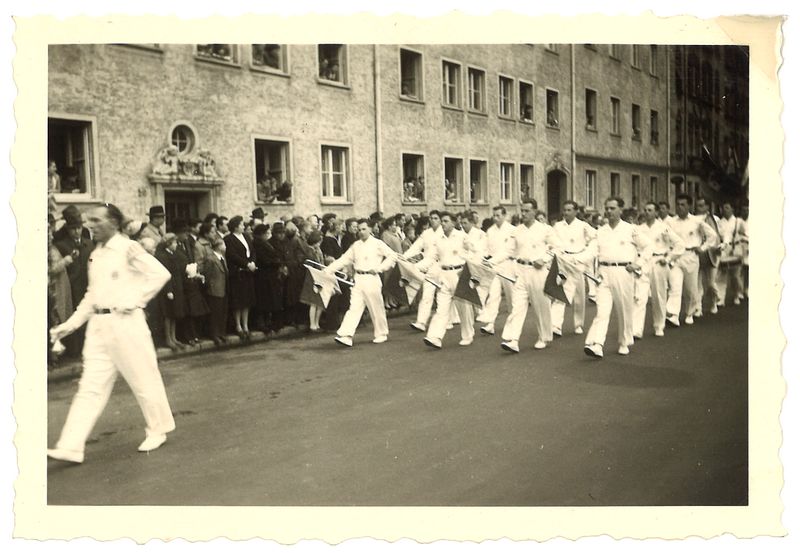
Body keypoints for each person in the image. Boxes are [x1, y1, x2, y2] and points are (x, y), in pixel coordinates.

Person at [47, 204, 175, 463]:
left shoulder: (128, 247)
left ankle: (157, 429)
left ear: (114, 223)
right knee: (90, 387)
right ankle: (71, 445)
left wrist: (136, 300)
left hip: (127, 324)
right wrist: (68, 326)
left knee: (143, 379)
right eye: (88, 221)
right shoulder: (96, 253)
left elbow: (160, 273)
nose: (90, 225)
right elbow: (91, 296)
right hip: (99, 327)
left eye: (96, 220)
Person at [490, 199, 563, 353]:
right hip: (521, 271)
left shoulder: (545, 229)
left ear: (535, 211)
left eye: (527, 211)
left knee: (541, 306)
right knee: (517, 306)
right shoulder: (517, 231)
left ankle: (544, 337)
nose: (523, 214)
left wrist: (544, 259)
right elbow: (508, 251)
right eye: (522, 211)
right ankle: (513, 339)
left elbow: (558, 247)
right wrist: (491, 262)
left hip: (538, 272)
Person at [583, 197, 652, 358]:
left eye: (612, 208)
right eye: (607, 208)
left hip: (623, 272)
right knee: (602, 311)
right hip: (604, 273)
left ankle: (624, 341)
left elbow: (648, 246)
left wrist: (638, 263)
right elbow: (590, 252)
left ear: (620, 210)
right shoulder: (601, 231)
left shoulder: (630, 229)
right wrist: (572, 258)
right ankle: (597, 344)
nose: (609, 211)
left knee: (624, 311)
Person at [324, 219, 397, 347]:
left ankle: (381, 333)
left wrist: (380, 268)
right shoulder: (356, 245)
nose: (361, 232)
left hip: (372, 279)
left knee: (376, 308)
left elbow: (392, 256)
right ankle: (346, 335)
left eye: (364, 229)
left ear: (370, 229)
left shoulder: (377, 243)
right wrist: (328, 270)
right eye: (359, 229)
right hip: (358, 279)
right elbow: (343, 260)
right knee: (354, 308)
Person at [419, 212, 476, 348]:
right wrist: (417, 267)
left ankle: (468, 335)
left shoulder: (462, 236)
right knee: (441, 308)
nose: (442, 224)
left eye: (445, 221)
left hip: (460, 274)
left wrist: (468, 266)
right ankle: (435, 337)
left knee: (464, 308)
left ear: (453, 222)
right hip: (444, 275)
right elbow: (431, 257)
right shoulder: (438, 239)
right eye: (442, 221)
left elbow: (474, 251)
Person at [633, 202, 685, 338]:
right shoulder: (639, 229)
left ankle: (659, 325)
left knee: (659, 296)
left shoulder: (663, 228)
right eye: (645, 210)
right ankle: (636, 329)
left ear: (656, 213)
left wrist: (668, 258)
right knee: (640, 296)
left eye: (650, 210)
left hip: (658, 261)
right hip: (644, 263)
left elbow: (680, 244)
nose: (646, 212)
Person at [665, 194, 718, 326]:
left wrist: (703, 248)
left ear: (689, 206)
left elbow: (712, 235)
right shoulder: (670, 222)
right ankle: (673, 315)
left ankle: (689, 313)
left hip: (691, 256)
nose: (680, 207)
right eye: (678, 204)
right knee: (675, 287)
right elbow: (665, 237)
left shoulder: (696, 221)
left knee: (690, 289)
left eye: (683, 204)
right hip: (676, 257)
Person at [550, 200, 597, 337]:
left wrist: (585, 254)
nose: (566, 213)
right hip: (564, 260)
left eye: (569, 210)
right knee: (561, 294)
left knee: (579, 296)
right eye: (564, 210)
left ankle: (578, 324)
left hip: (578, 261)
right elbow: (553, 242)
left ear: (576, 211)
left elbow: (595, 238)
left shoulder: (583, 226)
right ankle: (555, 325)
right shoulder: (558, 226)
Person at [476, 206, 516, 335]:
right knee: (493, 294)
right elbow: (485, 248)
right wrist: (482, 257)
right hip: (494, 267)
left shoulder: (512, 230)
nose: (496, 218)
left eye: (498, 215)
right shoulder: (490, 231)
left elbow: (509, 251)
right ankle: (490, 323)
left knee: (512, 298)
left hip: (509, 266)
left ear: (504, 215)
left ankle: (513, 324)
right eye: (494, 215)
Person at [224, 216, 257, 341]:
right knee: (238, 301)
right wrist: (246, 264)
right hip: (238, 273)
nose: (244, 226)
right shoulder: (229, 239)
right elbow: (232, 255)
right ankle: (238, 326)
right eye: (242, 224)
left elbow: (252, 251)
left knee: (247, 300)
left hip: (248, 273)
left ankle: (246, 325)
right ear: (236, 226)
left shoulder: (246, 237)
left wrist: (253, 262)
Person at [154, 233, 188, 351]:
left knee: (174, 314)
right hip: (169, 290)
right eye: (174, 243)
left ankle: (174, 338)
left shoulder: (172, 255)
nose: (176, 245)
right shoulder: (163, 256)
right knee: (168, 314)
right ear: (168, 244)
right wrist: (169, 290)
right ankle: (168, 339)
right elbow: (165, 274)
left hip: (176, 288)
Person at [694, 196, 724, 315]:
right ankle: (698, 307)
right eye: (697, 205)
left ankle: (714, 300)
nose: (699, 208)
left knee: (710, 283)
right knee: (697, 283)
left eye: (702, 205)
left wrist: (721, 246)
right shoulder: (693, 219)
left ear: (707, 206)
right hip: (699, 252)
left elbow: (719, 234)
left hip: (712, 252)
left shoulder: (715, 219)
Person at [718, 201, 746, 306]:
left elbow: (745, 234)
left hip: (735, 248)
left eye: (727, 207)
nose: (724, 210)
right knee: (721, 274)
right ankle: (721, 298)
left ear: (732, 209)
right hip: (724, 249)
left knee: (735, 275)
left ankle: (736, 294)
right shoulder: (719, 222)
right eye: (723, 208)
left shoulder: (738, 222)